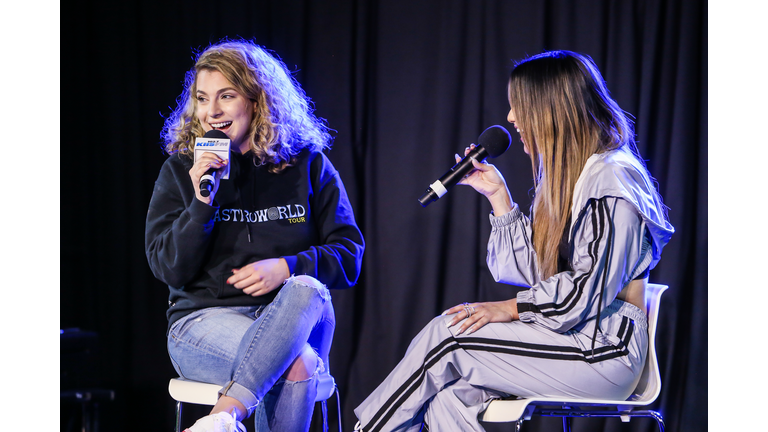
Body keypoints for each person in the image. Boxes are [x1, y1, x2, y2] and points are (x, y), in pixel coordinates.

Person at [353, 50, 674, 432]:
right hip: (577, 334)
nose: (510, 118)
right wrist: (498, 197)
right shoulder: (575, 176)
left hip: (606, 350)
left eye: (518, 106)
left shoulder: (611, 180)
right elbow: (537, 273)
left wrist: (509, 308)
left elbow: (584, 290)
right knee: (449, 392)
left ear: (552, 110)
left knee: (449, 336)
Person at [145, 39, 365, 432]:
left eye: (226, 96)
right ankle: (227, 416)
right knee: (299, 363)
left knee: (309, 289)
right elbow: (168, 268)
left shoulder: (307, 165)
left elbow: (349, 255)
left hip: (293, 317)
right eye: (202, 98)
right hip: (202, 322)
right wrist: (202, 203)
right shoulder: (181, 171)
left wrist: (286, 267)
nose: (212, 112)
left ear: (258, 99)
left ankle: (221, 418)